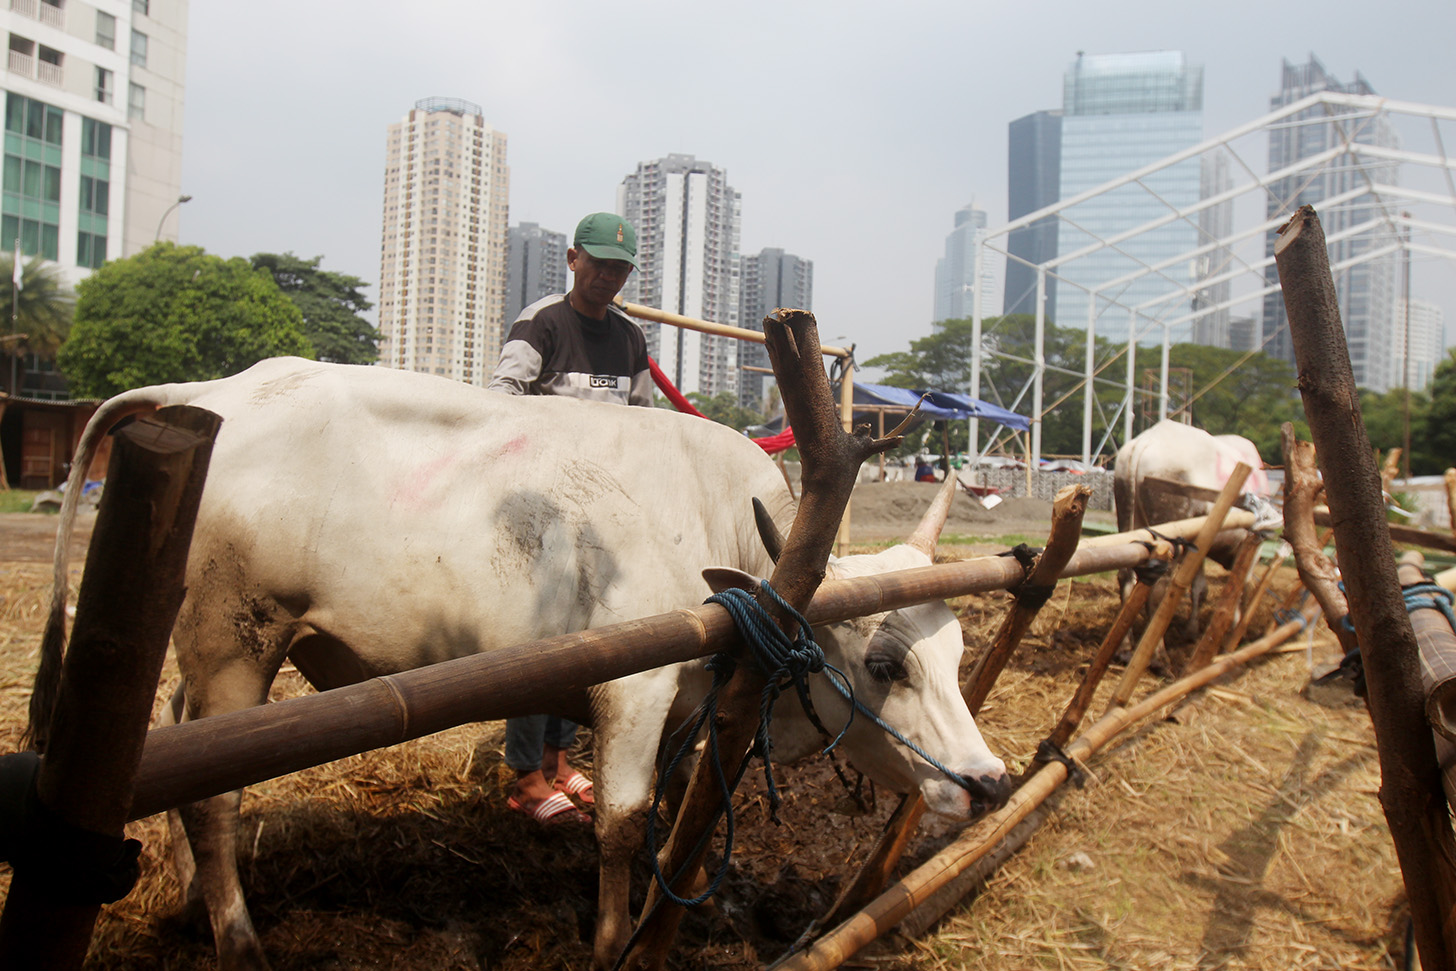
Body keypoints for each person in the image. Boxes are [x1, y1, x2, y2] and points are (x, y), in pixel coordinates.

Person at [487, 212, 650, 824]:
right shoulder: (543, 321)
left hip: (602, 516)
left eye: (620, 267)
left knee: (585, 644)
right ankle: (526, 773)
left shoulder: (630, 339)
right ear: (574, 258)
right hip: (542, 510)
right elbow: (502, 399)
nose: (608, 276)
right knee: (537, 641)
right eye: (599, 262)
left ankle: (558, 761)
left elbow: (642, 423)